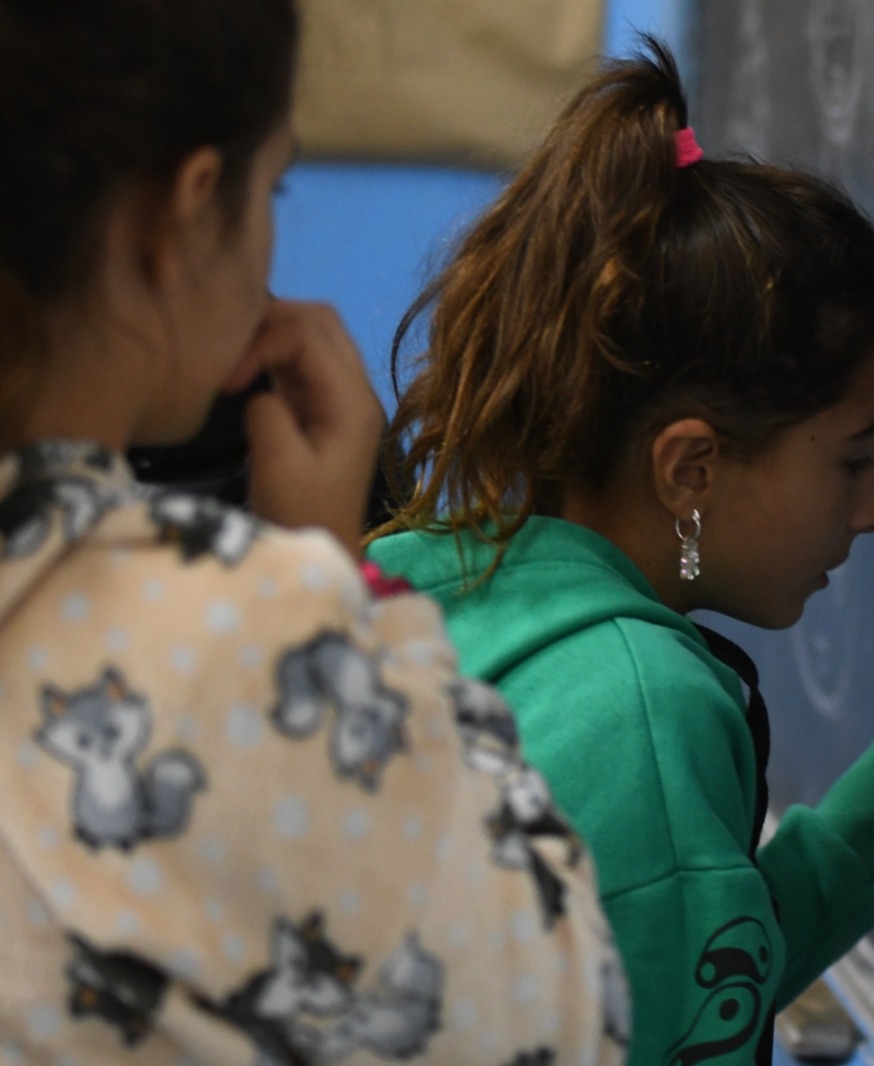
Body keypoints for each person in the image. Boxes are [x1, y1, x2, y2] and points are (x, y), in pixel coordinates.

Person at [368, 39, 874, 1066]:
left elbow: (690, 973)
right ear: (692, 471)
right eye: (853, 457)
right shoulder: (646, 715)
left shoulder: (422, 581)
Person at [0, 2, 629, 1062]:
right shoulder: (255, 636)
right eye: (272, 186)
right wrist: (338, 595)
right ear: (182, 214)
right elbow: (560, 1017)